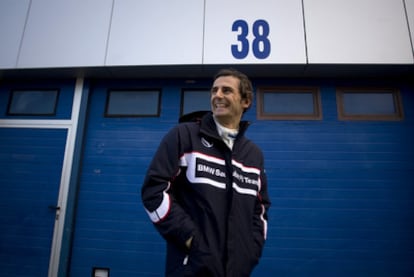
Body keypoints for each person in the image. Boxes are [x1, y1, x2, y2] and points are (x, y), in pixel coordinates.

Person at [141, 68, 270, 276]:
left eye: (226, 90)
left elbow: (260, 209)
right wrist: (191, 239)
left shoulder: (253, 155)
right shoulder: (184, 136)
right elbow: (153, 191)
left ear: (245, 101)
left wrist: (250, 252)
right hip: (191, 268)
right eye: (214, 90)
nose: (217, 95)